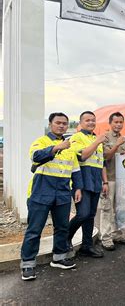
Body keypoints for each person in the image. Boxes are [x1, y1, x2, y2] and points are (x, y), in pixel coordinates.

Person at [20, 113, 83, 281]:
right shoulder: (41, 142)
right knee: (35, 229)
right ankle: (28, 264)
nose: (62, 126)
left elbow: (75, 170)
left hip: (62, 192)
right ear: (50, 124)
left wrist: (77, 188)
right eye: (58, 123)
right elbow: (35, 156)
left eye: (65, 123)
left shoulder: (69, 146)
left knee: (62, 227)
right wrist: (56, 148)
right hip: (41, 191)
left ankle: (60, 256)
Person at [68, 111, 108, 258]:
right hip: (82, 181)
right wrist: (97, 142)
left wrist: (105, 182)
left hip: (96, 181)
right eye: (87, 120)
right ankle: (65, 239)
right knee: (83, 214)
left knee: (90, 215)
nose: (91, 122)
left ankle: (86, 246)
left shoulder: (96, 138)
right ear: (81, 122)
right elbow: (83, 156)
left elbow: (101, 163)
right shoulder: (76, 137)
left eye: (93, 120)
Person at [100, 112, 125, 251]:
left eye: (121, 122)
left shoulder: (123, 139)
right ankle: (106, 238)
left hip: (121, 179)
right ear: (110, 123)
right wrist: (116, 145)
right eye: (116, 122)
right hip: (109, 178)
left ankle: (116, 234)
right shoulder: (105, 138)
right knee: (107, 209)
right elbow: (105, 157)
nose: (118, 125)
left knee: (118, 209)